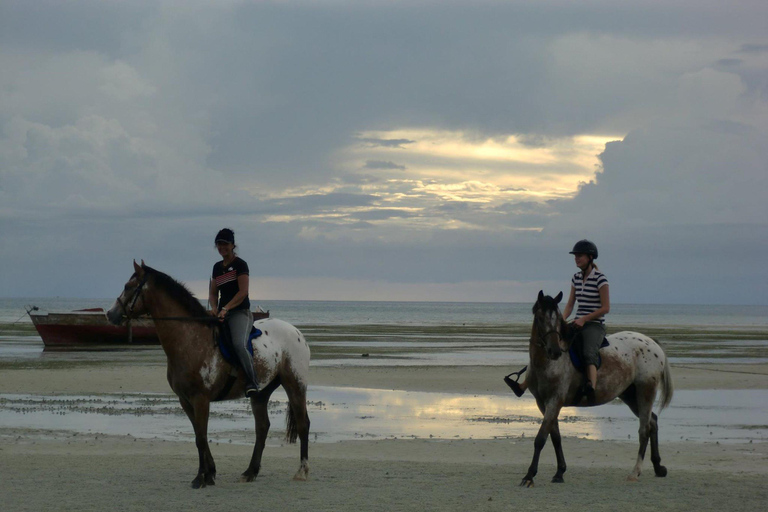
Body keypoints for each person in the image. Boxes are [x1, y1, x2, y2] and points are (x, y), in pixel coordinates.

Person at [505, 240, 610, 401]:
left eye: (579, 256)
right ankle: (524, 385)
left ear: (590, 257)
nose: (576, 259)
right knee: (552, 346)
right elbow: (569, 304)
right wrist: (560, 321)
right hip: (577, 322)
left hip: (594, 325)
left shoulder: (600, 279)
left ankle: (591, 387)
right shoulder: (575, 278)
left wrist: (584, 319)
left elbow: (605, 308)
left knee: (589, 352)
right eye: (575, 256)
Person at [209, 228, 259, 397]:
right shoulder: (216, 267)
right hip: (222, 313)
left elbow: (243, 292)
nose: (222, 247)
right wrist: (214, 308)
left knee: (238, 344)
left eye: (225, 244)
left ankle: (252, 381)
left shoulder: (240, 265)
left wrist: (226, 308)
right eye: (219, 244)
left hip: (239, 312)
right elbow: (213, 293)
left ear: (232, 245)